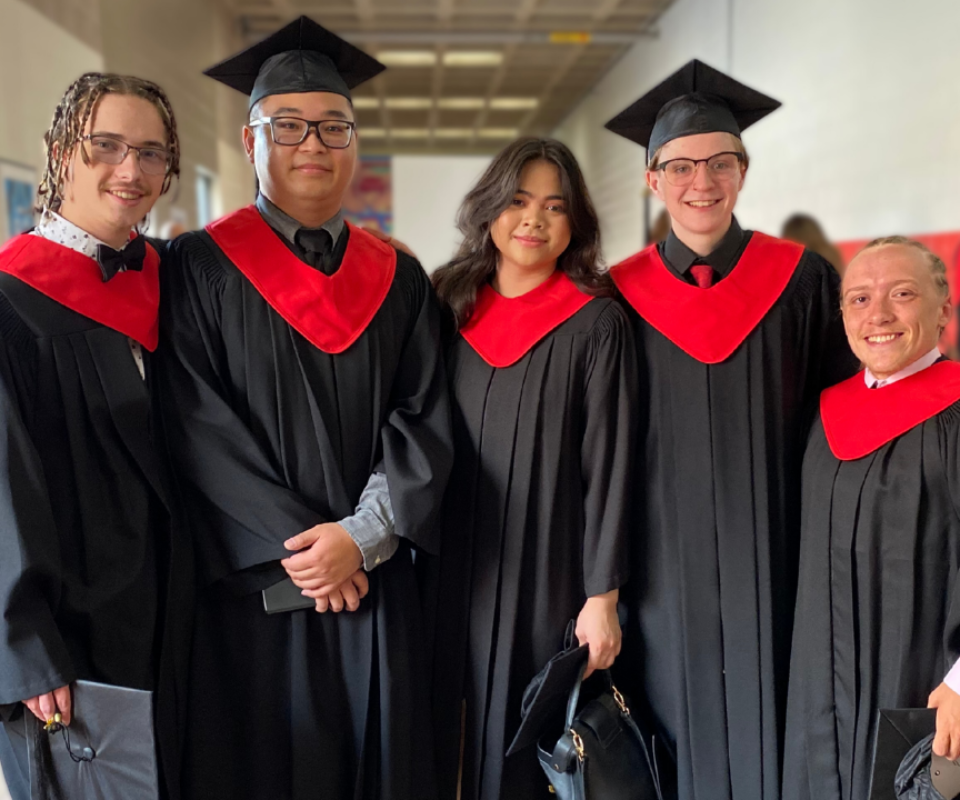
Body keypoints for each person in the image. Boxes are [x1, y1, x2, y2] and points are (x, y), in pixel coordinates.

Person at [159, 16, 453, 800]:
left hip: (374, 589)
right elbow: (194, 422)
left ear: (355, 144)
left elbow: (425, 419)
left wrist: (360, 540)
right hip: (254, 601)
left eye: (333, 126)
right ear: (252, 142)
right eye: (287, 126)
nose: (312, 144)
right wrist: (309, 556)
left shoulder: (398, 279)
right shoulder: (197, 267)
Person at [602, 59, 858, 800]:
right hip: (659, 568)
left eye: (720, 162)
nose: (701, 182)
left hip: (779, 556)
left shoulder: (802, 281)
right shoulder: (617, 297)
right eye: (680, 166)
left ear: (743, 171)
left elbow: (844, 414)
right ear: (654, 181)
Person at [0, 73, 192, 799]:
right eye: (105, 146)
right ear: (58, 153)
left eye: (150, 152)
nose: (130, 170)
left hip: (173, 613)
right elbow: (0, 485)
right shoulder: (12, 302)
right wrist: (25, 647)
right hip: (72, 627)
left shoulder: (170, 282)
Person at [428, 137, 637, 799]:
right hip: (447, 563)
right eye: (518, 202)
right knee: (437, 727)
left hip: (544, 570)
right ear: (489, 209)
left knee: (523, 746)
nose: (533, 220)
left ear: (575, 223)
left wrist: (601, 596)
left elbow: (612, 462)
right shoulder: (448, 305)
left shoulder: (596, 322)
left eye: (554, 206)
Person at [783, 237, 960, 800]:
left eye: (902, 294)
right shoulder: (822, 415)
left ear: (944, 311)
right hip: (819, 692)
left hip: (924, 682)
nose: (878, 314)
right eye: (858, 299)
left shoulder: (954, 414)